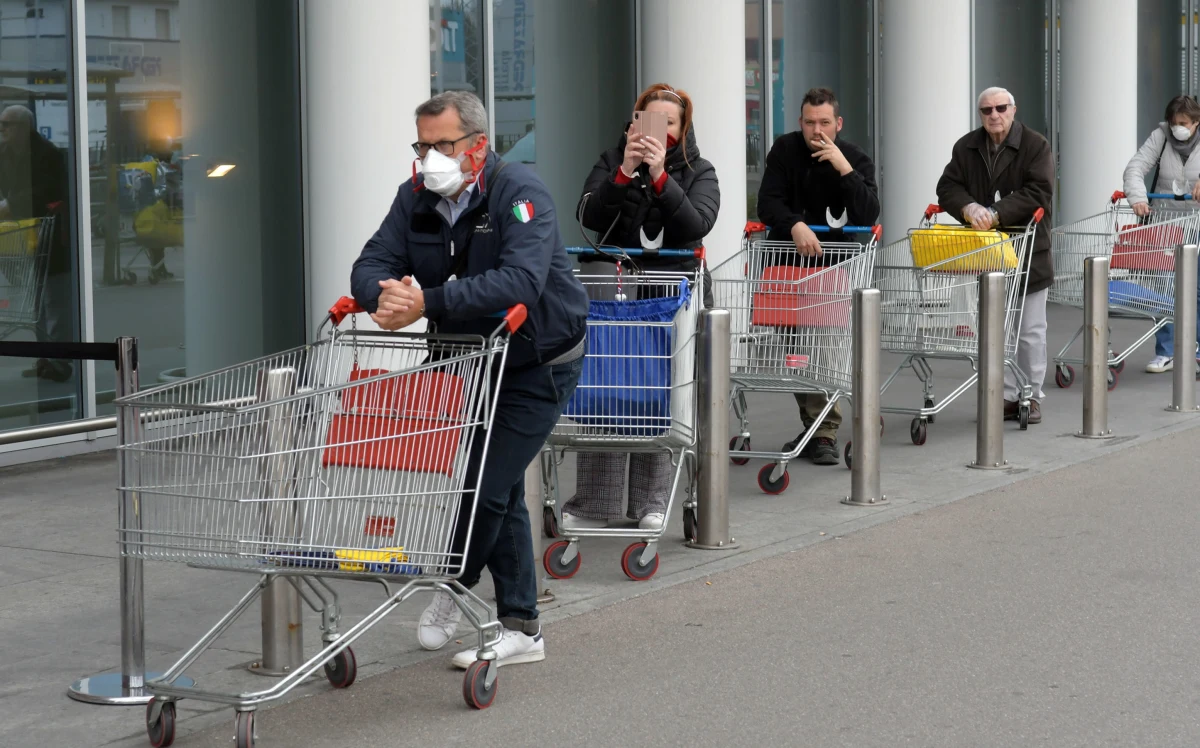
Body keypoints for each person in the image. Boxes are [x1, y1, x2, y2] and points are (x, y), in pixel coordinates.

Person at [351, 91, 589, 671]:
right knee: (498, 486)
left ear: (478, 147)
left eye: (442, 145)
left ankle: (454, 585)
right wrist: (388, 295)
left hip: (537, 362)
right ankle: (522, 628)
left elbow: (520, 282)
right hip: (469, 362)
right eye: (422, 145)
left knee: (485, 484)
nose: (429, 157)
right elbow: (369, 264)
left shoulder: (520, 193)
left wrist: (426, 301)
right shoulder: (415, 200)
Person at [562, 82, 719, 531]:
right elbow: (590, 217)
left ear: (683, 129)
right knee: (609, 390)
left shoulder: (699, 170)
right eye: (649, 121)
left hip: (669, 297)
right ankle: (597, 501)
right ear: (634, 122)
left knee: (658, 393)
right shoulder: (612, 162)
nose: (659, 132)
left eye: (669, 124)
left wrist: (661, 178)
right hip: (614, 296)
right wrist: (625, 172)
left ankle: (650, 501)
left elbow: (697, 223)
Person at [756, 87, 879, 465]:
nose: (816, 129)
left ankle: (824, 432)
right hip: (787, 270)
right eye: (810, 122)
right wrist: (793, 224)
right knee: (798, 355)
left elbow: (868, 213)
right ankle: (814, 423)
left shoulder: (855, 158)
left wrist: (844, 168)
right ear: (800, 122)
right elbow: (767, 202)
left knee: (825, 351)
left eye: (824, 122)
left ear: (838, 123)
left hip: (833, 272)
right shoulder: (785, 150)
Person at [937, 86, 1055, 424]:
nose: (994, 115)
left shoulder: (1035, 145)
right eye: (986, 110)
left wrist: (996, 212)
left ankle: (1031, 395)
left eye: (1000, 108)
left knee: (1031, 329)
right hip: (987, 254)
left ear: (1013, 109)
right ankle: (1004, 395)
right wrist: (969, 207)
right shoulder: (967, 146)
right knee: (996, 329)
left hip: (1028, 251)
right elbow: (947, 187)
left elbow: (1040, 192)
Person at [1122, 94, 1200, 374]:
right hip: (1165, 224)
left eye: (1183, 123)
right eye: (1173, 122)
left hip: (1197, 223)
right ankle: (1166, 351)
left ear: (1195, 123)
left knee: (1198, 289)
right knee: (1164, 290)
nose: (1177, 127)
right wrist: (1138, 198)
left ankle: (1197, 348)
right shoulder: (1161, 136)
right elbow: (1135, 168)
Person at [0, 105, 72, 382]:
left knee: (55, 302)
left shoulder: (48, 154)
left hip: (51, 236)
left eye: (7, 124)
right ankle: (46, 358)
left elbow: (49, 191)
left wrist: (10, 204)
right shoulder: (6, 154)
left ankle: (61, 361)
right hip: (23, 237)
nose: (2, 129)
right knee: (36, 304)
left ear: (24, 127)